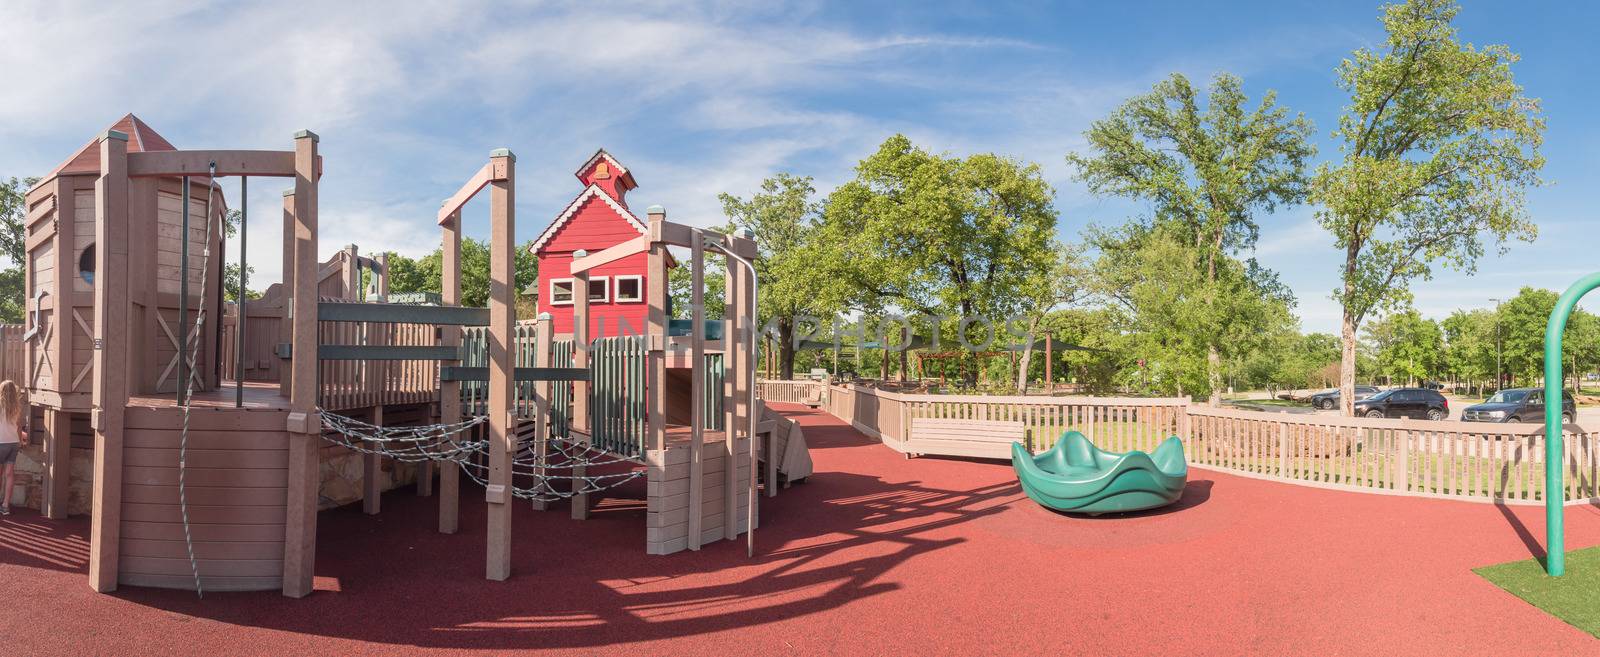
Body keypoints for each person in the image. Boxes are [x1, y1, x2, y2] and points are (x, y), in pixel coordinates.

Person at [0, 380, 26, 516]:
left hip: (1, 443)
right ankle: (5, 506)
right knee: (9, 474)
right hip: (13, 444)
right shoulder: (16, 407)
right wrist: (21, 441)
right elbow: (19, 426)